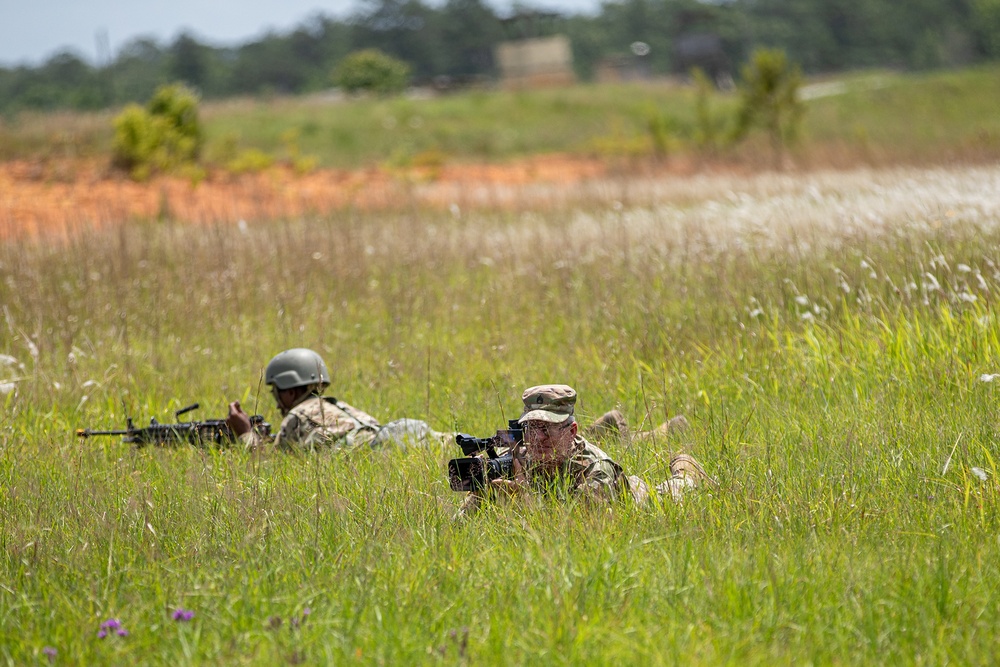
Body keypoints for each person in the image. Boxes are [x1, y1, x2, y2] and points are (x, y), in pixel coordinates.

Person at [456, 384, 713, 516]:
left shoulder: (597, 468)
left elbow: (575, 528)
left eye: (549, 429)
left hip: (632, 499)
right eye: (531, 428)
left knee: (672, 494)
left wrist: (523, 498)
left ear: (572, 432)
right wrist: (485, 491)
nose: (538, 438)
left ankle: (687, 470)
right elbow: (459, 525)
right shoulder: (517, 458)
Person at [226, 347, 448, 451]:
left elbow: (265, 468)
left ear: (290, 392)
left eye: (276, 392)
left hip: (377, 452)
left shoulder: (296, 416)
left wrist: (245, 433)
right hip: (397, 433)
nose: (275, 402)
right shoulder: (337, 406)